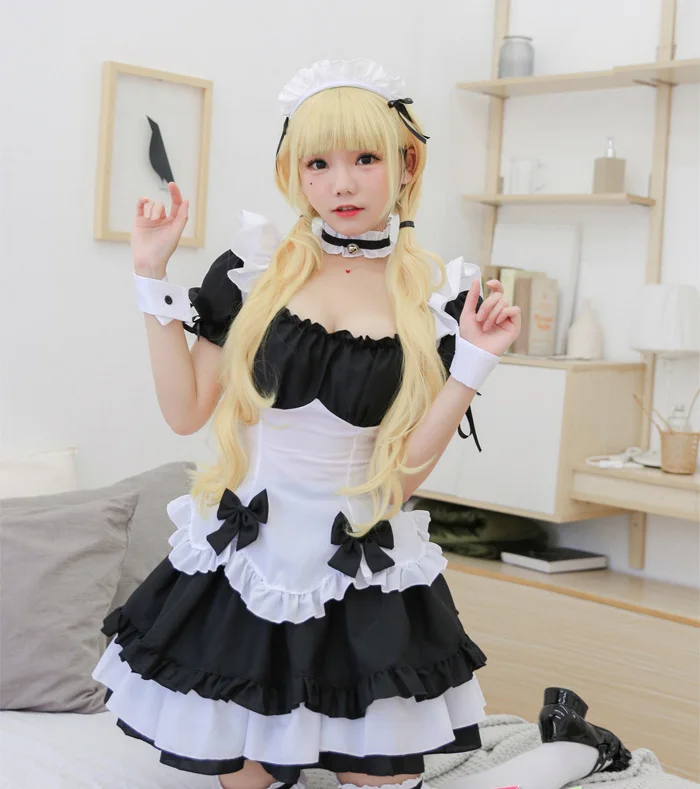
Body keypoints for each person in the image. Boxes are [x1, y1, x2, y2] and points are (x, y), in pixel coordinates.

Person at [92, 58, 630, 789]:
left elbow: (400, 480)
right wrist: (149, 277)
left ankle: (573, 748)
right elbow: (185, 410)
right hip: (248, 570)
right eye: (319, 163)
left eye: (365, 160)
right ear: (295, 174)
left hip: (359, 573)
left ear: (405, 165)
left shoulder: (435, 300)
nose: (341, 184)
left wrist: (473, 364)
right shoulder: (252, 272)